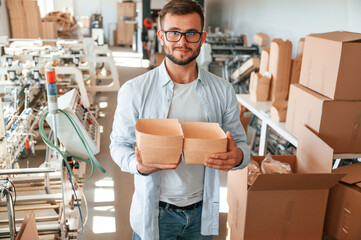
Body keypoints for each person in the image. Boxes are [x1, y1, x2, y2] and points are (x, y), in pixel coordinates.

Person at [110, 0, 250, 239]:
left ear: (202, 37)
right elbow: (118, 145)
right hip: (156, 213)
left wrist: (237, 157)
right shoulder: (135, 90)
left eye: (191, 33)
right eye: (174, 32)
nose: (182, 42)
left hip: (202, 212)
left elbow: (241, 146)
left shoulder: (223, 90)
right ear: (162, 36)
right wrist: (138, 166)